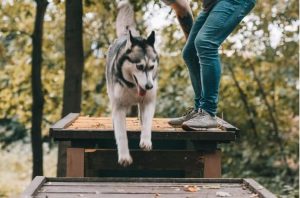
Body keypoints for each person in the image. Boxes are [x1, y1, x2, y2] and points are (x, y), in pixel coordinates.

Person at [163, 0, 256, 129]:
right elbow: (182, 8)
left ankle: (208, 111)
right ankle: (199, 111)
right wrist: (193, 46)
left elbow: (182, 6)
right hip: (211, 4)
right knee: (189, 53)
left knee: (205, 42)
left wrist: (199, 47)